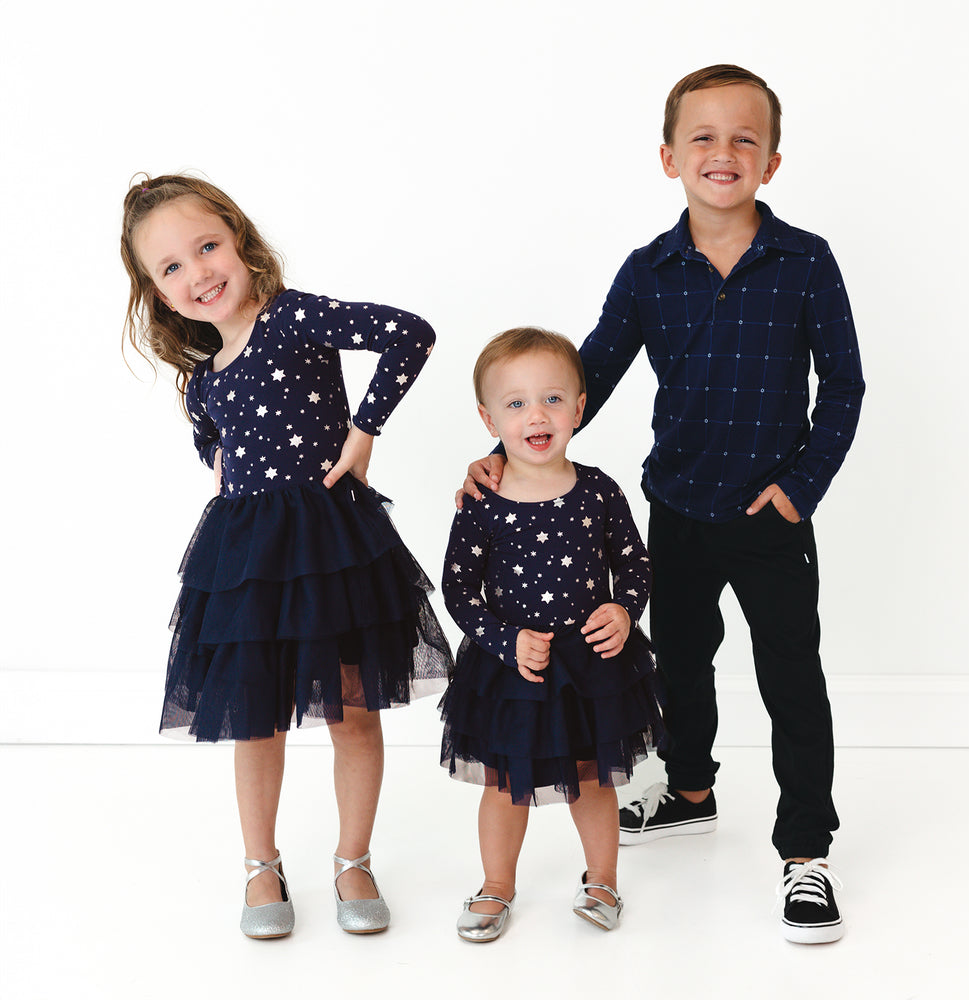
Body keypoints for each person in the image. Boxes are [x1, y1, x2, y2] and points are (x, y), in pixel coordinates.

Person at [460, 65, 864, 944]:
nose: (724, 153)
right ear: (669, 156)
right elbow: (588, 375)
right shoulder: (649, 271)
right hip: (675, 512)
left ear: (773, 161)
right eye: (704, 139)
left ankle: (806, 853)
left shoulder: (806, 261)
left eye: (744, 139)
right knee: (678, 662)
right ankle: (689, 791)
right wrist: (502, 456)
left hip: (770, 521)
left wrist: (800, 489)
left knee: (791, 678)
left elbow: (843, 388)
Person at [121, 173, 453, 939]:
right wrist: (226, 476)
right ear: (159, 293)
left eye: (207, 247)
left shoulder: (292, 316)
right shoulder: (202, 380)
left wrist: (364, 430)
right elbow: (214, 441)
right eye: (171, 267)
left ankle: (352, 859)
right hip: (245, 557)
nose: (197, 272)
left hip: (331, 543)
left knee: (355, 709)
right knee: (252, 719)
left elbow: (410, 333)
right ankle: (260, 866)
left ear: (238, 238)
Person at [441, 327, 663, 942]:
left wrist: (624, 609)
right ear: (488, 417)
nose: (536, 415)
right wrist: (504, 639)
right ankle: (496, 885)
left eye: (552, 399)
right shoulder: (481, 500)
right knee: (505, 785)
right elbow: (457, 590)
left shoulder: (599, 490)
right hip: (514, 668)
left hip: (590, 667)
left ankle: (602, 878)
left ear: (579, 408)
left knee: (591, 778)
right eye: (515, 404)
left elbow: (636, 563)